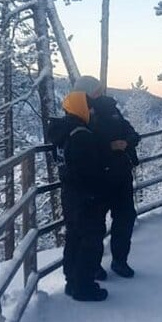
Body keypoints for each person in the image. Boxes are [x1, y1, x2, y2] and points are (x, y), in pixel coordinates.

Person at [74, 75, 140, 279]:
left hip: (121, 174)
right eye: (95, 90)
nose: (99, 92)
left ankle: (120, 260)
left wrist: (127, 142)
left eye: (99, 89)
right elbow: (83, 146)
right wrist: (109, 147)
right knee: (96, 224)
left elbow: (132, 132)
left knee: (126, 217)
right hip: (98, 177)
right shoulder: (81, 114)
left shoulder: (112, 109)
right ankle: (94, 265)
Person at [48, 91, 108, 301]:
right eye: (89, 107)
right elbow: (90, 168)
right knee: (90, 239)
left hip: (69, 193)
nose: (92, 111)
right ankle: (84, 287)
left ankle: (72, 281)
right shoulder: (82, 135)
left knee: (74, 237)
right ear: (80, 108)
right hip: (86, 195)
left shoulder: (62, 132)